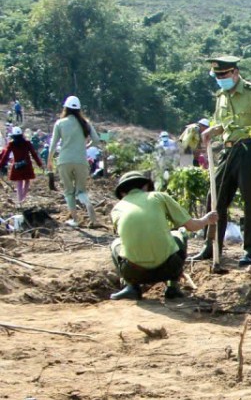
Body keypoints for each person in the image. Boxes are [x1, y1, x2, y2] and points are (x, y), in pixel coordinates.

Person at [191, 56, 251, 268]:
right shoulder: (221, 96)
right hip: (228, 150)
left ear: (235, 72)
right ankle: (211, 246)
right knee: (214, 198)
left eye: (224, 75)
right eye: (217, 76)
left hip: (249, 150)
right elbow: (223, 125)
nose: (220, 79)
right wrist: (211, 131)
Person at [109, 171, 217, 301]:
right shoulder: (158, 197)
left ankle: (131, 287)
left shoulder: (117, 208)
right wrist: (207, 219)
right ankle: (172, 286)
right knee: (179, 233)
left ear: (122, 193)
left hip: (135, 272)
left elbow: (128, 236)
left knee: (115, 244)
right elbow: (192, 226)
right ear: (146, 186)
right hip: (168, 268)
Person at [48, 96, 101, 227]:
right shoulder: (85, 123)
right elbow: (96, 140)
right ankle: (89, 208)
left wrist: (49, 160)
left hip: (64, 160)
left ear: (65, 108)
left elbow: (53, 144)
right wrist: (87, 146)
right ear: (79, 109)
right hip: (81, 161)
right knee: (81, 191)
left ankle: (75, 220)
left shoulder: (60, 123)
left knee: (68, 191)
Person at [0, 127, 44, 204]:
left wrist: (1, 165)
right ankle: (23, 198)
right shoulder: (27, 143)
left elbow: (5, 156)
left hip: (17, 165)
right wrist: (39, 164)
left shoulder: (11, 144)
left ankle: (20, 200)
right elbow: (34, 154)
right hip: (27, 165)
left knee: (19, 182)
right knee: (27, 181)